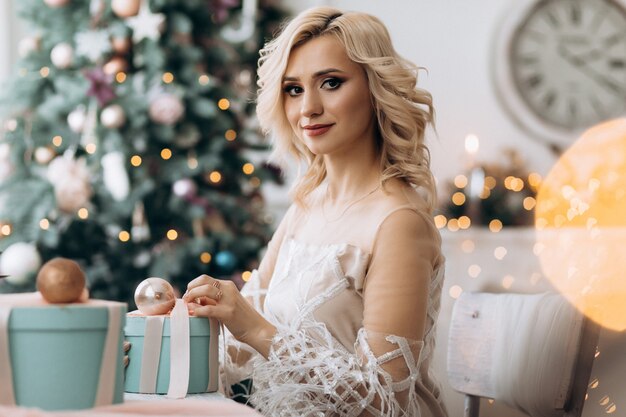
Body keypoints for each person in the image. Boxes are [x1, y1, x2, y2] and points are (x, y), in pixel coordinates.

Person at [182, 6, 447, 416]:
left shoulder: (398, 223)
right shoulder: (307, 206)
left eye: (331, 82)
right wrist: (167, 331)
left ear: (375, 87)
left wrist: (256, 328)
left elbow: (383, 403)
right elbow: (235, 347)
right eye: (293, 89)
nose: (308, 108)